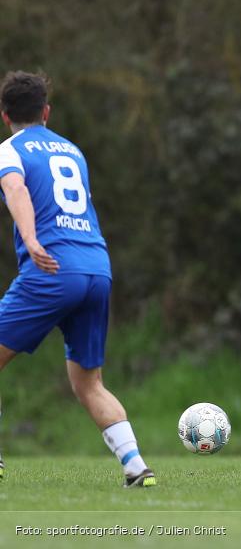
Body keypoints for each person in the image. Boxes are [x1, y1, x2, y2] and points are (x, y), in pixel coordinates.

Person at [0, 71, 154, 488]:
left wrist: (31, 239)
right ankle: (136, 466)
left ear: (5, 115)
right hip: (97, 268)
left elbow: (15, 188)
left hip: (53, 268)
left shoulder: (9, 150)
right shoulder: (72, 150)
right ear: (46, 112)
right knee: (88, 382)